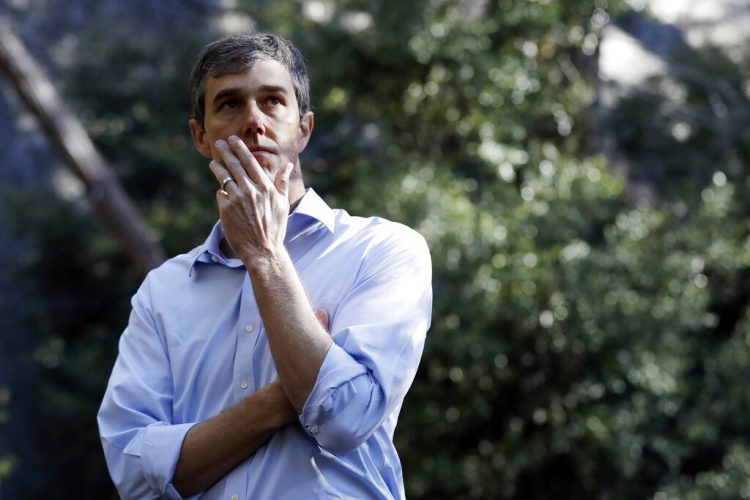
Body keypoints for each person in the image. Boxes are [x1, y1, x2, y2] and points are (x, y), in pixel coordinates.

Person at [97, 32, 432, 499]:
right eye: (230, 104)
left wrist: (266, 255)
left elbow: (345, 419)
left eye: (273, 101)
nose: (254, 122)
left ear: (303, 128)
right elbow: (134, 473)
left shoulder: (383, 250)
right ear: (201, 137)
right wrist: (285, 397)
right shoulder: (163, 291)